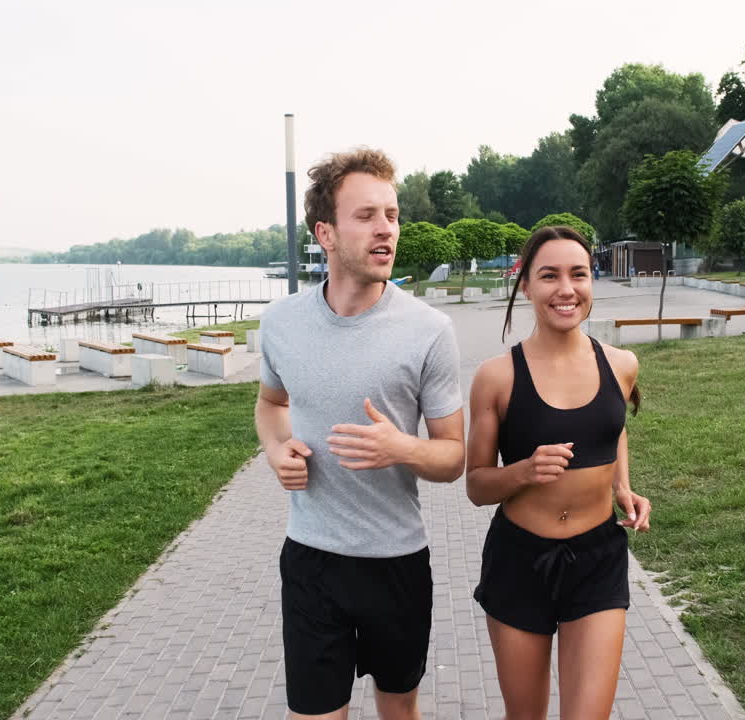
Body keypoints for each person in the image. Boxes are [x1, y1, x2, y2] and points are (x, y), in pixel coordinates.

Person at [254, 148, 466, 720]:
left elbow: (453, 457)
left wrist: (402, 448)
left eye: (392, 215)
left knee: (398, 709)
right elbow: (271, 405)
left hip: (396, 561)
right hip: (311, 560)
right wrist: (276, 448)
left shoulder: (429, 330)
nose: (386, 229)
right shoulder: (280, 323)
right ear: (325, 233)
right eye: (367, 215)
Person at [465, 225, 651, 719]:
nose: (566, 289)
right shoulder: (497, 377)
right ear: (526, 285)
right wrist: (524, 471)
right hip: (519, 561)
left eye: (579, 274)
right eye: (549, 276)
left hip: (598, 559)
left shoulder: (621, 364)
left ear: (592, 281)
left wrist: (624, 487)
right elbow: (477, 485)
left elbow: (612, 428)